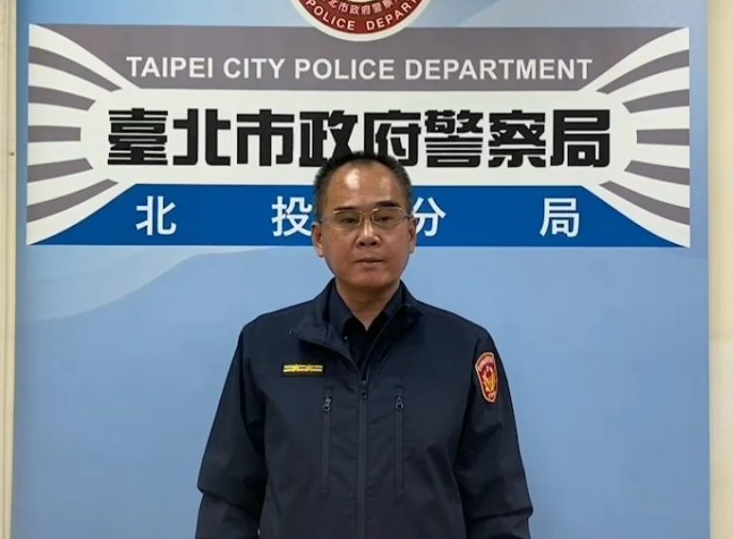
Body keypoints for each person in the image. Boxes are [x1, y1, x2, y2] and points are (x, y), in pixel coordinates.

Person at [195, 150, 532, 539]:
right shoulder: (266, 345)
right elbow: (228, 502)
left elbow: (498, 508)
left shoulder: (464, 348)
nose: (368, 235)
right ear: (319, 239)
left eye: (385, 218)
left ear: (411, 234)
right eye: (348, 219)